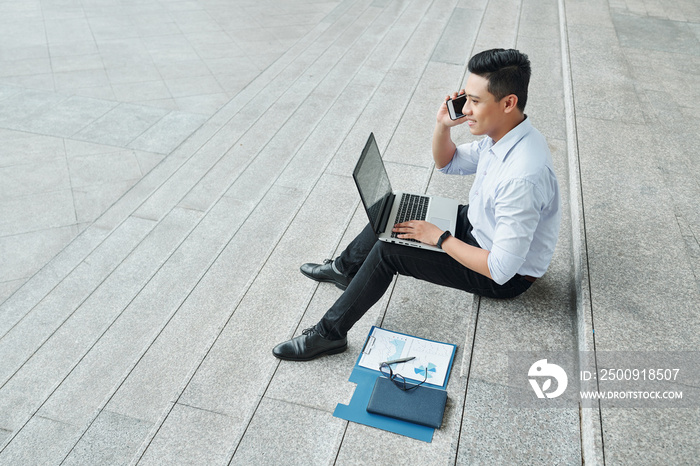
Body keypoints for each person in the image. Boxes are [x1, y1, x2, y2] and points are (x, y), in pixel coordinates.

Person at [272, 48, 561, 361]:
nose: (467, 109)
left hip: (499, 271)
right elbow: (447, 162)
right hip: (480, 226)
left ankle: (328, 335)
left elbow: (501, 269)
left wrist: (439, 238)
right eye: (467, 98)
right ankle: (345, 269)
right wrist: (443, 125)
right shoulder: (506, 135)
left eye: (476, 102)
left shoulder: (522, 178)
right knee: (397, 208)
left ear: (508, 103)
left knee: (389, 251)